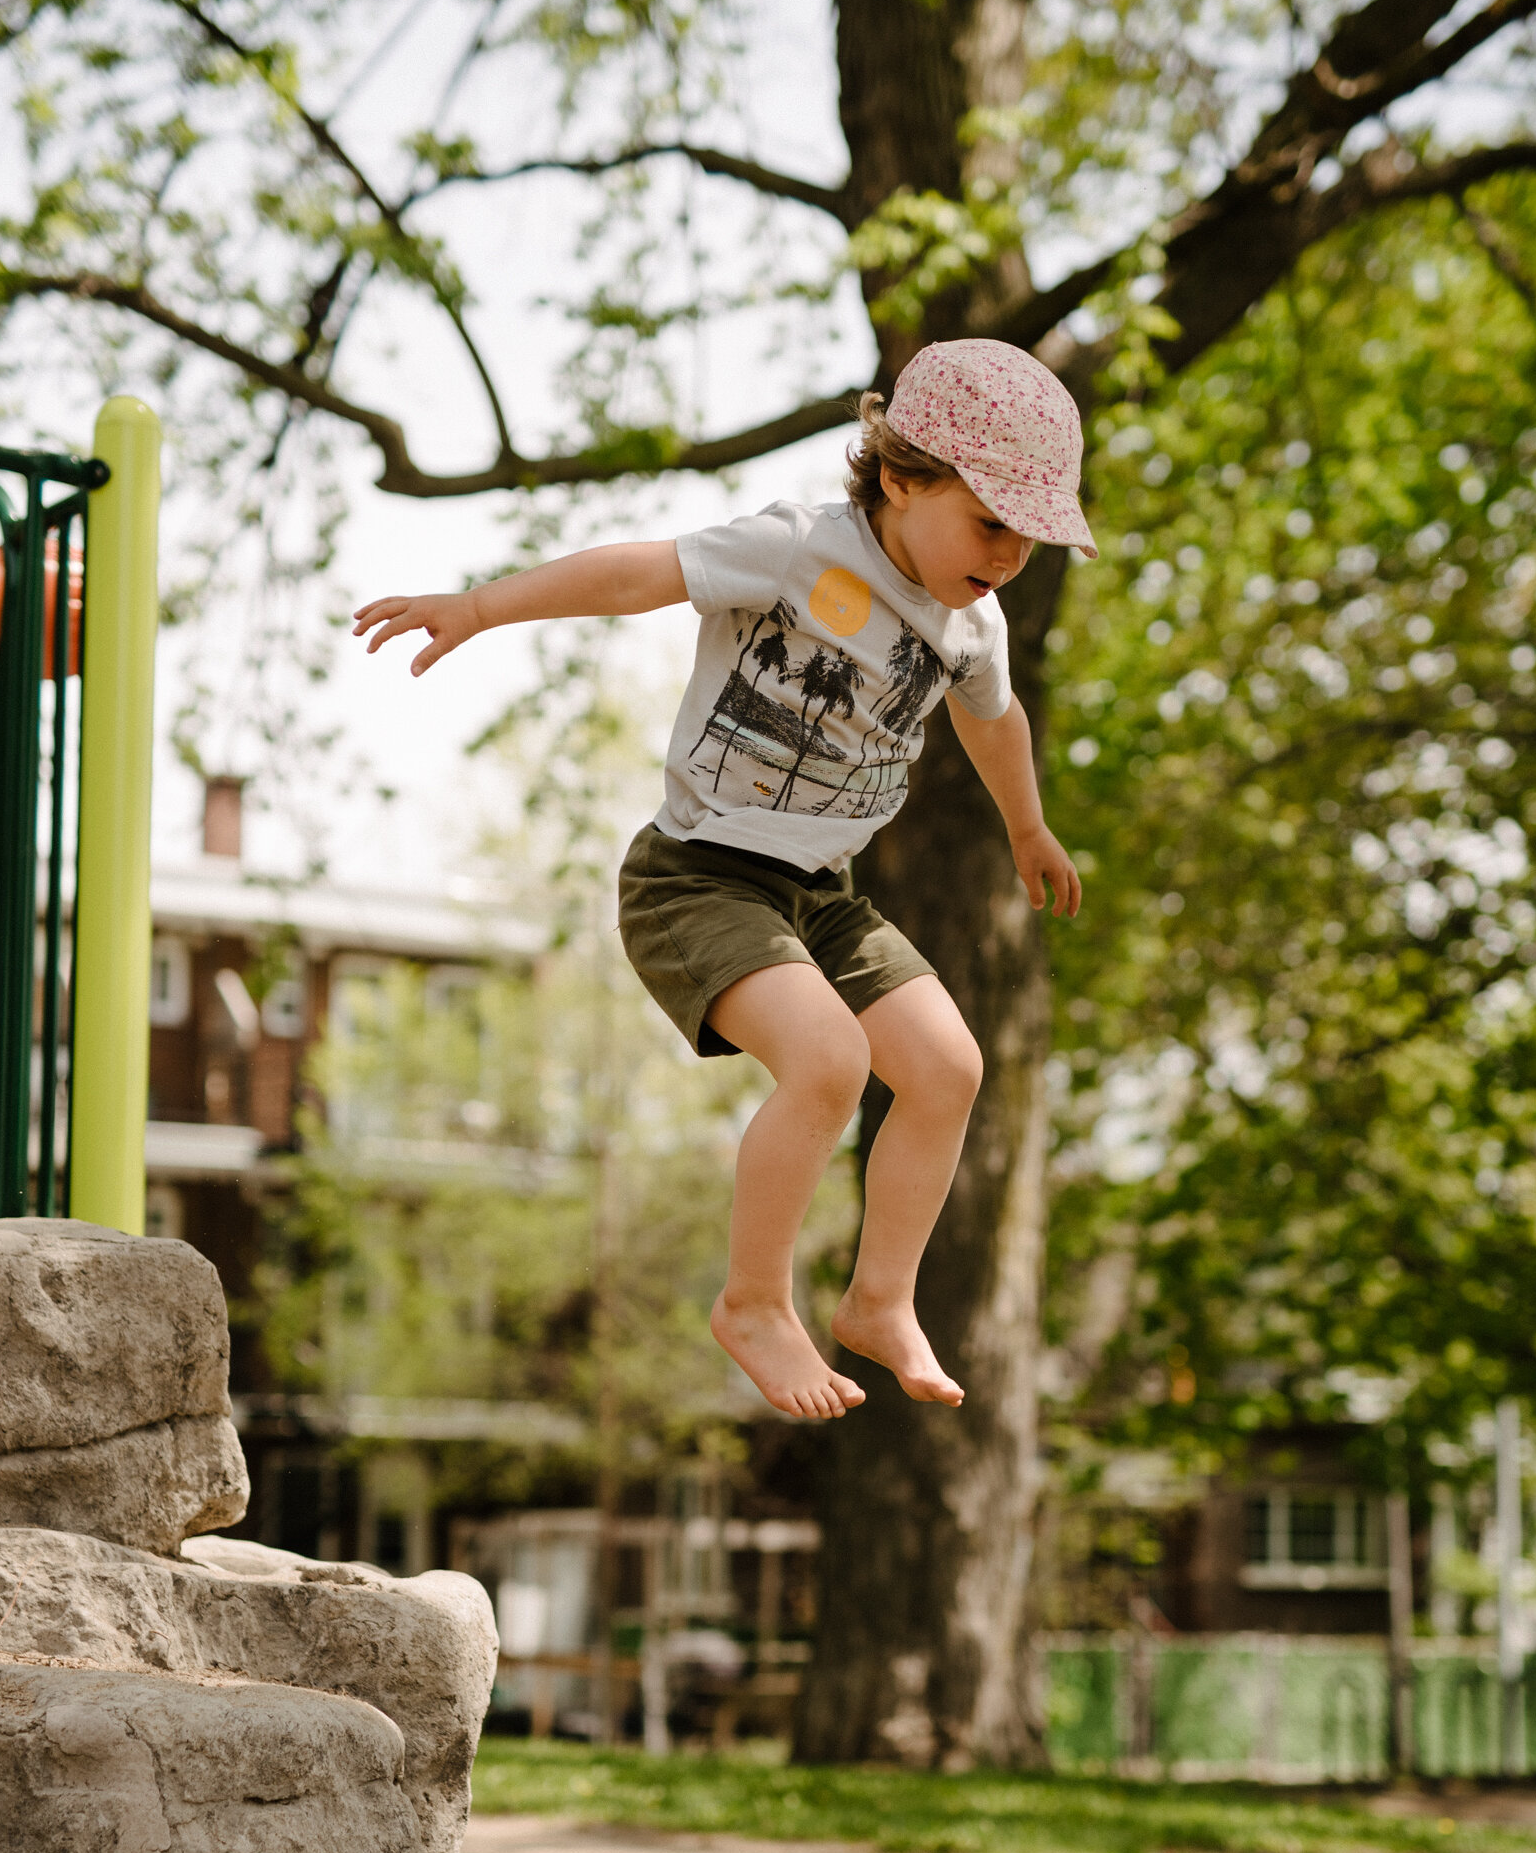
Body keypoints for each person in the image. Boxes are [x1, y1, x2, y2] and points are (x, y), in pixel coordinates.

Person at [353, 337, 1093, 1421]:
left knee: (945, 1067)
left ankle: (879, 1300)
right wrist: (479, 606)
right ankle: (753, 1303)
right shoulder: (798, 551)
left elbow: (995, 722)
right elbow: (631, 575)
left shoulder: (972, 622)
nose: (1007, 556)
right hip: (696, 880)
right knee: (831, 1060)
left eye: (1027, 538)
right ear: (900, 477)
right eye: (989, 524)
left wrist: (1027, 829)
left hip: (820, 897)